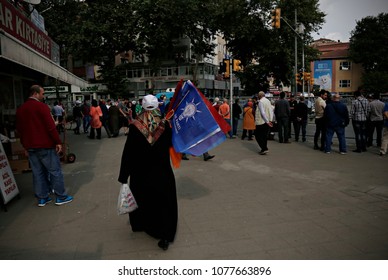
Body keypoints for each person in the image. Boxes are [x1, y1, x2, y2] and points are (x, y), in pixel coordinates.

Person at [118, 94, 178, 250]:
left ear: (142, 106)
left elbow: (128, 153)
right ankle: (165, 235)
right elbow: (173, 144)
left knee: (144, 199)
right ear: (157, 106)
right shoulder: (166, 125)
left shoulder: (136, 126)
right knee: (164, 202)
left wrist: (124, 175)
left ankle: (143, 225)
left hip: (141, 172)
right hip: (162, 171)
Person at [16, 85, 73, 207]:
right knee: (54, 171)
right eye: (42, 93)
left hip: (31, 146)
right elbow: (50, 126)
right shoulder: (42, 107)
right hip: (45, 145)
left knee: (38, 172)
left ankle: (42, 198)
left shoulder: (21, 109)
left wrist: (24, 146)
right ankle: (60, 196)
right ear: (35, 94)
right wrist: (58, 142)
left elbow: (20, 130)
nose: (44, 96)